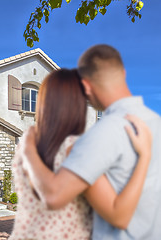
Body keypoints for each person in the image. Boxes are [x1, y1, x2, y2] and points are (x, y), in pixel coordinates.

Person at [20, 45, 161, 239]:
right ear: (123, 73)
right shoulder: (155, 122)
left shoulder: (102, 133)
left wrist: (28, 149)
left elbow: (54, 196)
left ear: (86, 86)